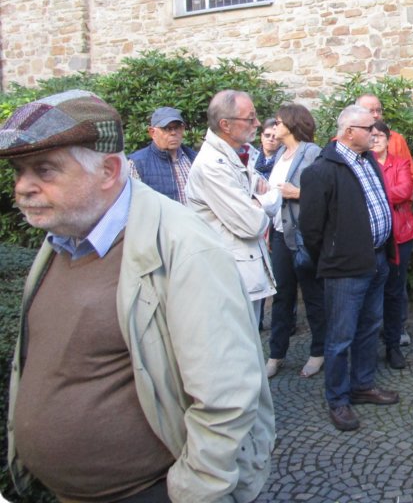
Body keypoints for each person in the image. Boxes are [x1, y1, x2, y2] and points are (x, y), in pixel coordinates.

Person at [0, 90, 274, 502]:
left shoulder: (184, 246)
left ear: (108, 171)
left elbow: (227, 397)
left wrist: (192, 492)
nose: (23, 187)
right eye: (19, 171)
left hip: (148, 491)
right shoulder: (63, 235)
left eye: (44, 170)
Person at [299, 104, 399, 433]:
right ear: (349, 132)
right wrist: (334, 257)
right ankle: (338, 399)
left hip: (377, 261)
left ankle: (362, 385)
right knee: (340, 337)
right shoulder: (321, 171)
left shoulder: (368, 161)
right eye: (369, 128)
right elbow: (311, 229)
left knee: (369, 327)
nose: (375, 133)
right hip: (345, 269)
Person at [186, 90, 280, 320]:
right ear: (225, 125)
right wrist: (261, 201)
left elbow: (272, 192)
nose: (257, 123)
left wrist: (255, 202)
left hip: (243, 275)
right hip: (227, 278)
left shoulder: (238, 155)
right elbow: (252, 224)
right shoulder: (212, 165)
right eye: (250, 118)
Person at [265, 103, 326, 380]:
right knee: (281, 297)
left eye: (278, 122)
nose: (273, 127)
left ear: (291, 124)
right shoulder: (280, 153)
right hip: (280, 235)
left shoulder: (311, 152)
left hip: (303, 237)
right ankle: (276, 354)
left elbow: (325, 192)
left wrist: (297, 193)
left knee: (313, 296)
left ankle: (318, 352)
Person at [356, 93, 413, 345]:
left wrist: (377, 195)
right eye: (370, 110)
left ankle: (396, 330)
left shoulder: (397, 142)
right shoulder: (348, 144)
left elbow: (408, 183)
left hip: (399, 228)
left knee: (395, 285)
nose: (376, 115)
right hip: (366, 233)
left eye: (378, 110)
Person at [370, 119, 413, 370]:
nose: (376, 139)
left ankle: (393, 344)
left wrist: (375, 194)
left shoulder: (400, 163)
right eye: (372, 135)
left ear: (388, 139)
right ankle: (368, 347)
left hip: (401, 235)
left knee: (394, 291)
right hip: (372, 238)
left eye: (380, 135)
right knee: (370, 292)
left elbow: (404, 190)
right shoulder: (364, 164)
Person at [127, 106, 197, 204]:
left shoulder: (194, 158)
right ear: (152, 132)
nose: (173, 133)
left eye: (177, 127)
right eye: (167, 128)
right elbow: (132, 204)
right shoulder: (137, 164)